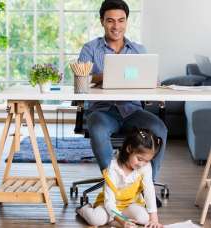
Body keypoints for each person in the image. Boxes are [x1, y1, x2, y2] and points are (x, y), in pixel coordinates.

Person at [78, 0, 168, 202]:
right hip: (103, 112)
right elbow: (80, 78)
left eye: (121, 20)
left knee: (160, 129)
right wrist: (105, 75)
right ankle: (113, 187)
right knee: (98, 127)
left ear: (127, 22)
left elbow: (153, 81)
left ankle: (147, 188)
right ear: (102, 21)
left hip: (132, 111)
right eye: (110, 20)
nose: (116, 26)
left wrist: (152, 80)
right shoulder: (90, 49)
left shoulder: (138, 50)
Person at [77, 128, 164, 228]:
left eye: (147, 161)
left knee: (144, 218)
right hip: (109, 206)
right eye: (139, 159)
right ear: (129, 149)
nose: (142, 164)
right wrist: (122, 220)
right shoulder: (113, 168)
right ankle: (84, 209)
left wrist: (154, 219)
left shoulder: (145, 166)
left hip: (130, 205)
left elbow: (149, 190)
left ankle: (113, 221)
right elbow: (109, 203)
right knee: (96, 220)